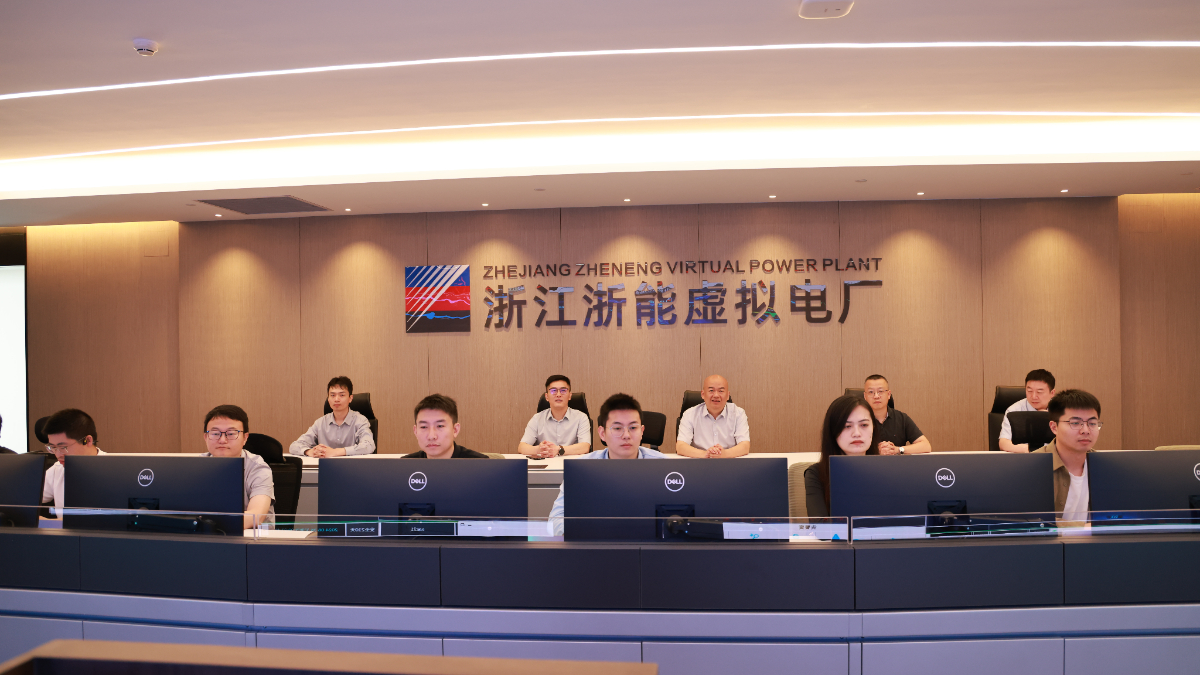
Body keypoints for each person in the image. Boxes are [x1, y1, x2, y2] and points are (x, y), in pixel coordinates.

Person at [548, 393, 667, 535]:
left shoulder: (663, 467)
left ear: (642, 432)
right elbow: (556, 518)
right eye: (617, 428)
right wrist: (577, 535)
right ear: (602, 433)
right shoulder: (581, 469)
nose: (626, 435)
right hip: (595, 543)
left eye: (633, 428)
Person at [804, 395, 881, 518]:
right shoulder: (816, 474)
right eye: (847, 426)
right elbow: (820, 526)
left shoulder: (886, 471)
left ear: (874, 428)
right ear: (833, 431)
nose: (857, 433)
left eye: (864, 425)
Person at [1033, 389, 1102, 524]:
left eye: (1092, 423)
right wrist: (1083, 529)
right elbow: (1030, 522)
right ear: (1054, 427)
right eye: (1075, 423)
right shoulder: (1032, 468)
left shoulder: (1105, 468)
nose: (1086, 430)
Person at [201, 405, 275, 529]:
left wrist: (209, 525)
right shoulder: (195, 467)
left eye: (231, 433)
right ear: (206, 437)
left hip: (252, 537)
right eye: (215, 433)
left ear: (245, 438)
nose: (222, 440)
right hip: (204, 535)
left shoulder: (258, 468)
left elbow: (256, 516)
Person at [289, 376, 376, 457]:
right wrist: (310, 452)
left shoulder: (360, 420)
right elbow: (294, 446)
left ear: (350, 398)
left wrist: (335, 452)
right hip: (325, 466)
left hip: (352, 466)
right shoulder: (320, 423)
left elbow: (369, 446)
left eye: (342, 395)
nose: (336, 399)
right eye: (332, 395)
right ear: (328, 398)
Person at [41, 409, 106, 517]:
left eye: (63, 447)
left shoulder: (116, 470)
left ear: (88, 441)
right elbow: (25, 498)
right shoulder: (57, 469)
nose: (58, 454)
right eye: (53, 447)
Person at [675, 375, 750, 458]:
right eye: (711, 390)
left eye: (721, 391)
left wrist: (724, 454)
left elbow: (745, 446)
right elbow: (680, 446)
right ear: (703, 394)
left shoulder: (738, 414)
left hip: (729, 462)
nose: (716, 395)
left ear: (728, 395)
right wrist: (705, 454)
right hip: (699, 462)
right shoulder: (690, 414)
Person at [518, 375, 591, 458]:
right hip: (545, 464)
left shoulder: (581, 418)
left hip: (571, 464)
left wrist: (559, 450)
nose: (558, 394)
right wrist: (539, 449)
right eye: (553, 390)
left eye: (563, 390)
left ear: (570, 396)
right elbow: (522, 447)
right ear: (546, 397)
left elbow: (585, 447)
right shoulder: (537, 419)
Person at [863, 375, 931, 455]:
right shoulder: (858, 420)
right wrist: (876, 451)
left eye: (880, 391)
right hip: (867, 463)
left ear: (888, 394)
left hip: (897, 463)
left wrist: (897, 449)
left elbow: (926, 446)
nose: (876, 396)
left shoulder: (901, 418)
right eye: (871, 392)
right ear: (865, 396)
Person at [404, 394, 488, 459]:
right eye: (424, 427)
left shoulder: (480, 464)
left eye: (440, 426)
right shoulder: (404, 466)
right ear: (415, 431)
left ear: (455, 430)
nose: (431, 436)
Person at [999, 369, 1057, 453]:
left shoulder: (1061, 410)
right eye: (1029, 391)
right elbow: (1003, 443)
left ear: (1052, 393)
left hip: (1053, 457)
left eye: (1039, 392)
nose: (1033, 396)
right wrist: (1032, 451)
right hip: (1024, 456)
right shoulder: (1014, 411)